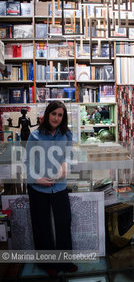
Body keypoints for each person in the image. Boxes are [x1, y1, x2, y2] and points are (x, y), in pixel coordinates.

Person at [25, 101, 77, 277]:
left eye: (60, 115)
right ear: (47, 115)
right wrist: (37, 179)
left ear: (63, 118)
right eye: (53, 113)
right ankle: (48, 264)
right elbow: (26, 163)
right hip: (37, 188)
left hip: (59, 187)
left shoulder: (66, 135)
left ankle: (65, 261)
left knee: (63, 223)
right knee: (42, 226)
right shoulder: (35, 136)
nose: (56, 117)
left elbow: (69, 155)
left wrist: (65, 164)